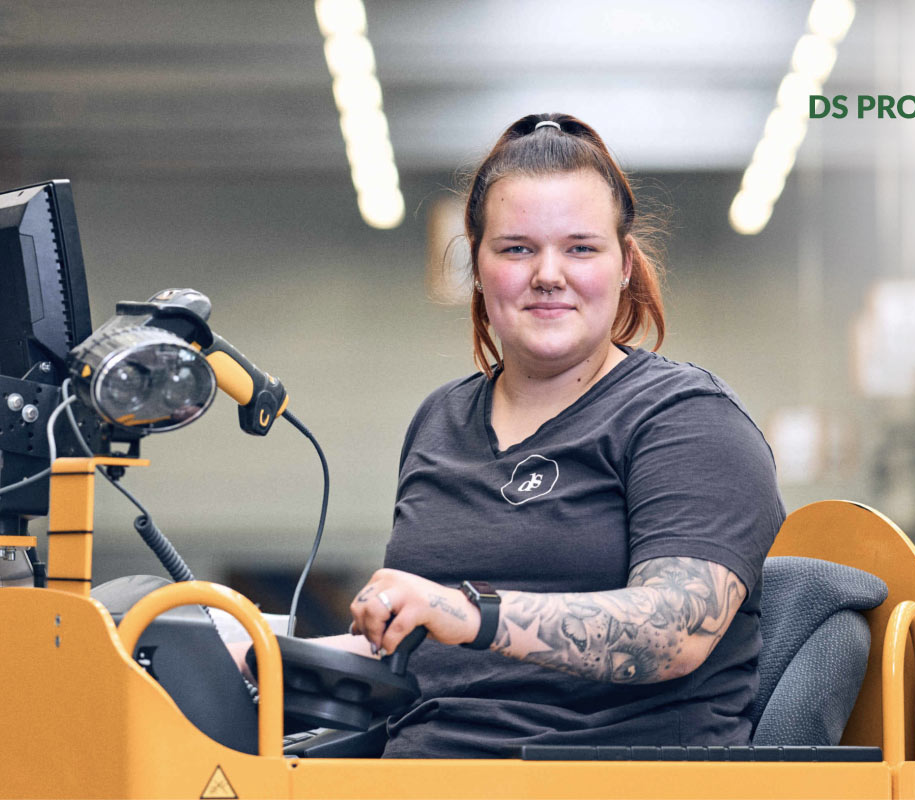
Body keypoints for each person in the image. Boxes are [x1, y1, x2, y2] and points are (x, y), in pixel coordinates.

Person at [250, 112, 786, 758]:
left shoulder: (688, 420)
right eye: (517, 249)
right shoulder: (441, 421)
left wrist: (467, 612)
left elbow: (674, 631)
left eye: (580, 248)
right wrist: (254, 652)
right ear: (476, 266)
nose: (548, 274)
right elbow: (420, 645)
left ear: (624, 265)